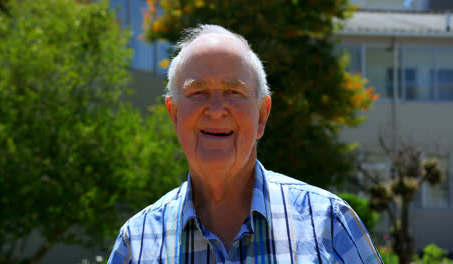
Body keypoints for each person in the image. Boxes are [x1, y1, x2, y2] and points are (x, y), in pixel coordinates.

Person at [108, 24, 383, 264]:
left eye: (234, 92)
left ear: (262, 115)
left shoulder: (329, 224)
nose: (216, 109)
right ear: (175, 114)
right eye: (198, 92)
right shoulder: (137, 242)